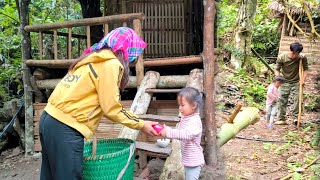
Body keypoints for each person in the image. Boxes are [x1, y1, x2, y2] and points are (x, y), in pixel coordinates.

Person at [39, 27, 159, 180]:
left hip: (48, 119)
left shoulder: (92, 58)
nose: (132, 58)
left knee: (49, 176)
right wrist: (142, 124)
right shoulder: (111, 64)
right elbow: (112, 108)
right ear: (126, 49)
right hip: (66, 128)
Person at [160, 87, 205, 180]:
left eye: (182, 105)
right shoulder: (187, 117)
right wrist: (167, 129)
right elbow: (180, 131)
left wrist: (168, 132)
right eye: (179, 105)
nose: (180, 108)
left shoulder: (195, 121)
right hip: (187, 160)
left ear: (193, 105)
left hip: (194, 162)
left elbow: (186, 134)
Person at [274, 42, 308, 125]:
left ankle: (296, 118)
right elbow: (277, 69)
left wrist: (303, 80)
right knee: (282, 99)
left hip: (297, 81)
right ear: (291, 50)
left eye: (298, 53)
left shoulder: (301, 58)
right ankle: (281, 118)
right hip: (284, 81)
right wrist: (278, 78)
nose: (296, 55)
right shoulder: (282, 57)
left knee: (298, 99)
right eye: (295, 53)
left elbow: (305, 69)